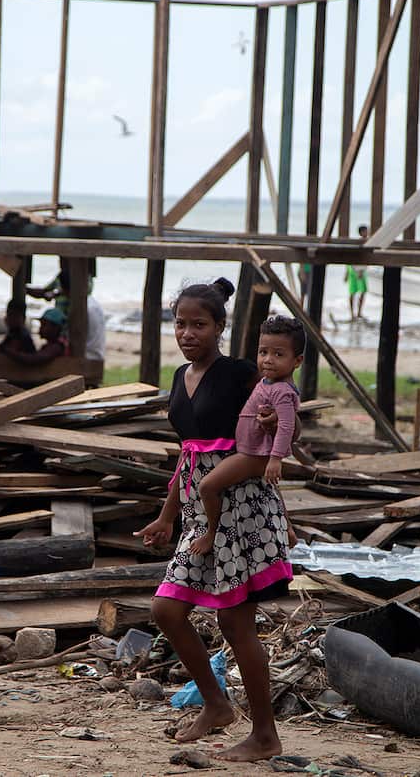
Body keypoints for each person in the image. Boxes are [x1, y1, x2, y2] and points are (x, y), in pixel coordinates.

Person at [134, 278, 294, 762]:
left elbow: (285, 405)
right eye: (180, 324)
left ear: (220, 327)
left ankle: (265, 735)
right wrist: (166, 517)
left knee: (234, 622)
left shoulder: (241, 373)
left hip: (243, 508)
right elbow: (188, 458)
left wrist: (272, 427)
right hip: (198, 514)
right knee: (166, 611)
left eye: (199, 324)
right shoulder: (180, 378)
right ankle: (217, 705)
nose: (187, 333)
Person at [189, 315, 304, 560]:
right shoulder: (269, 382)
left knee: (207, 487)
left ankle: (211, 532)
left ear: (298, 361)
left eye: (278, 354)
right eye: (263, 352)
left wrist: (275, 459)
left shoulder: (282, 391)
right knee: (269, 493)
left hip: (254, 454)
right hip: (250, 451)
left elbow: (287, 425)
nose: (268, 360)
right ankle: (288, 530)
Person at [0, 307, 68, 364]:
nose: (40, 328)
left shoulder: (57, 346)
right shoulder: (48, 346)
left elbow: (33, 359)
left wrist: (8, 351)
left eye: (44, 325)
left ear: (55, 328)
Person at [345, 225, 370, 320]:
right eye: (366, 231)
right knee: (353, 292)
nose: (367, 233)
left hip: (360, 269)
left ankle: (359, 312)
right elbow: (353, 257)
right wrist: (349, 272)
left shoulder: (368, 242)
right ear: (361, 232)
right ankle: (352, 314)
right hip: (355, 268)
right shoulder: (358, 243)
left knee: (362, 292)